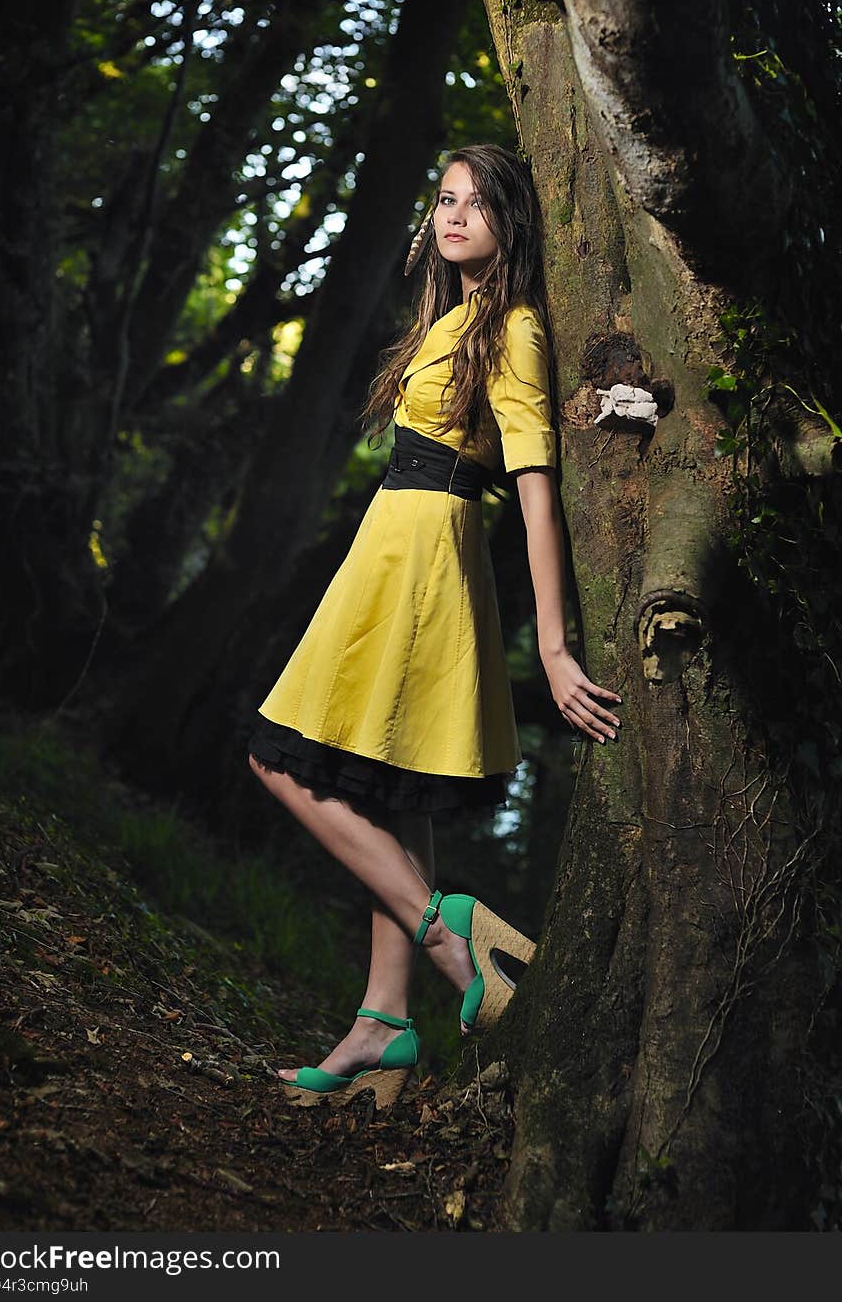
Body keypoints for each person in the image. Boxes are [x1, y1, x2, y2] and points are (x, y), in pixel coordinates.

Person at [246, 143, 622, 1108]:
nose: (453, 216)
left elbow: (538, 496)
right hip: (395, 546)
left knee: (277, 757)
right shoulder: (453, 321)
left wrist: (551, 644)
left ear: (513, 222)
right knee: (392, 792)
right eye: (443, 197)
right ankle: (383, 1022)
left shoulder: (518, 328)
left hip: (422, 563)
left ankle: (448, 929)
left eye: (477, 202)